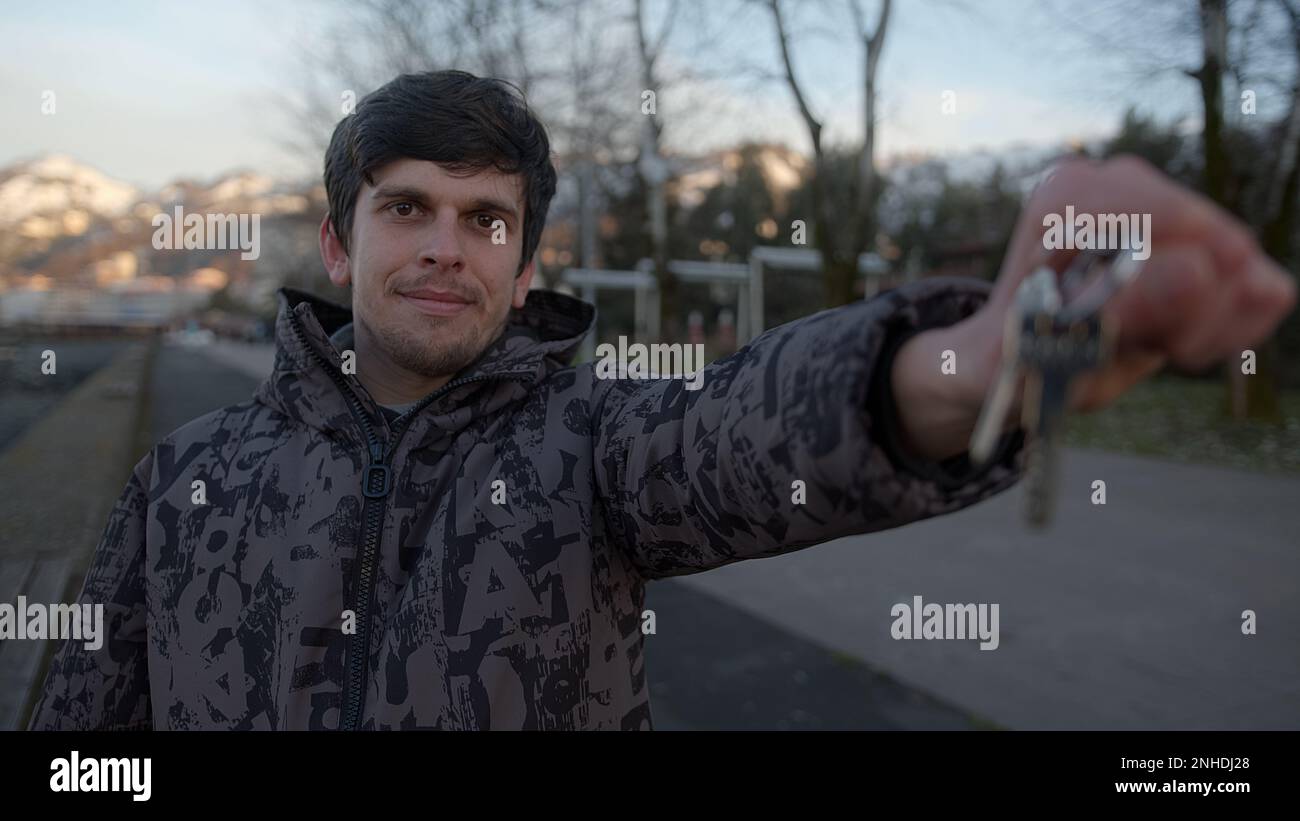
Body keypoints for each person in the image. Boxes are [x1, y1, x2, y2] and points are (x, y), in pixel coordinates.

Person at [27, 70, 1296, 730]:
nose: (442, 246)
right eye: (406, 205)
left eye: (485, 219)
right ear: (337, 241)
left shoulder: (595, 446)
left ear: (525, 271)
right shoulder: (185, 477)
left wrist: (978, 354)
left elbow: (751, 428)